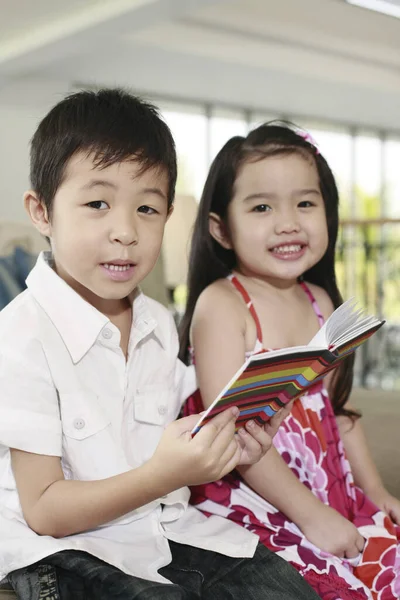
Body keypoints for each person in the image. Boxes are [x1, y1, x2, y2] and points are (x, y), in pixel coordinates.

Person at [0, 90, 322, 600]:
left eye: (147, 208)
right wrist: (160, 475)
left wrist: (234, 436)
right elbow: (45, 510)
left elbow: (179, 427)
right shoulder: (20, 335)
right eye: (97, 203)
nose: (126, 231)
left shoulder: (158, 323)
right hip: (63, 547)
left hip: (165, 527)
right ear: (42, 212)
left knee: (290, 591)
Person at [179, 123, 400, 600]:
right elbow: (236, 435)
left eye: (305, 202)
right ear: (221, 228)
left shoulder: (320, 299)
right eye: (262, 207)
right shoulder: (224, 304)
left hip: (327, 487)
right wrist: (310, 515)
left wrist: (376, 492)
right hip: (258, 490)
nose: (288, 223)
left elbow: (338, 412)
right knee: (320, 584)